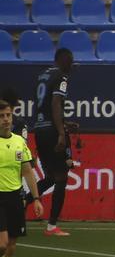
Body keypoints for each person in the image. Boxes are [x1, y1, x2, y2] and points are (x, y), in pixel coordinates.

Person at [0, 100, 44, 257]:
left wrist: (36, 198)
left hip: (14, 198)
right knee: (1, 244)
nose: (6, 120)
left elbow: (27, 171)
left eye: (8, 115)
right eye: (2, 116)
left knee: (11, 247)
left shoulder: (19, 141)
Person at [31, 48, 79, 237]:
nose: (72, 65)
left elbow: (44, 106)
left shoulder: (43, 75)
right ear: (63, 60)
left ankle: (21, 202)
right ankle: (52, 226)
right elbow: (55, 103)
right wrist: (61, 132)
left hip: (40, 129)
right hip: (52, 131)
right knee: (61, 177)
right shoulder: (62, 77)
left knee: (50, 177)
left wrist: (65, 123)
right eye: (71, 60)